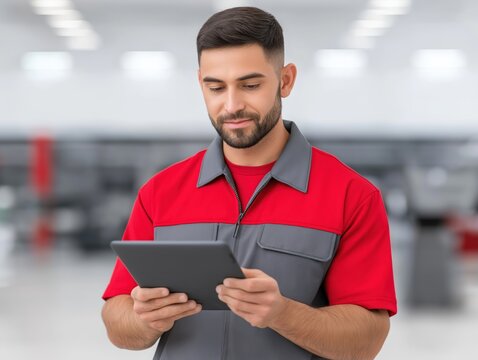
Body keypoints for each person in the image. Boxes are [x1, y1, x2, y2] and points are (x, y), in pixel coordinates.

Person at [101, 6, 397, 360]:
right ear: (201, 84)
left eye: (250, 85)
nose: (231, 105)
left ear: (285, 80)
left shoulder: (351, 196)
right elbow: (117, 319)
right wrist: (144, 320)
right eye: (215, 87)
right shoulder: (160, 193)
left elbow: (366, 341)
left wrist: (283, 314)